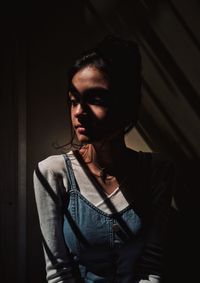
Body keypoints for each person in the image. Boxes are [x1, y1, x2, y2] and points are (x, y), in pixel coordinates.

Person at [33, 35, 175, 283]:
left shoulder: (157, 171)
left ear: (126, 103)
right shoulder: (52, 174)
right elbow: (58, 272)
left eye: (95, 99)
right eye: (74, 101)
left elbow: (151, 266)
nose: (79, 113)